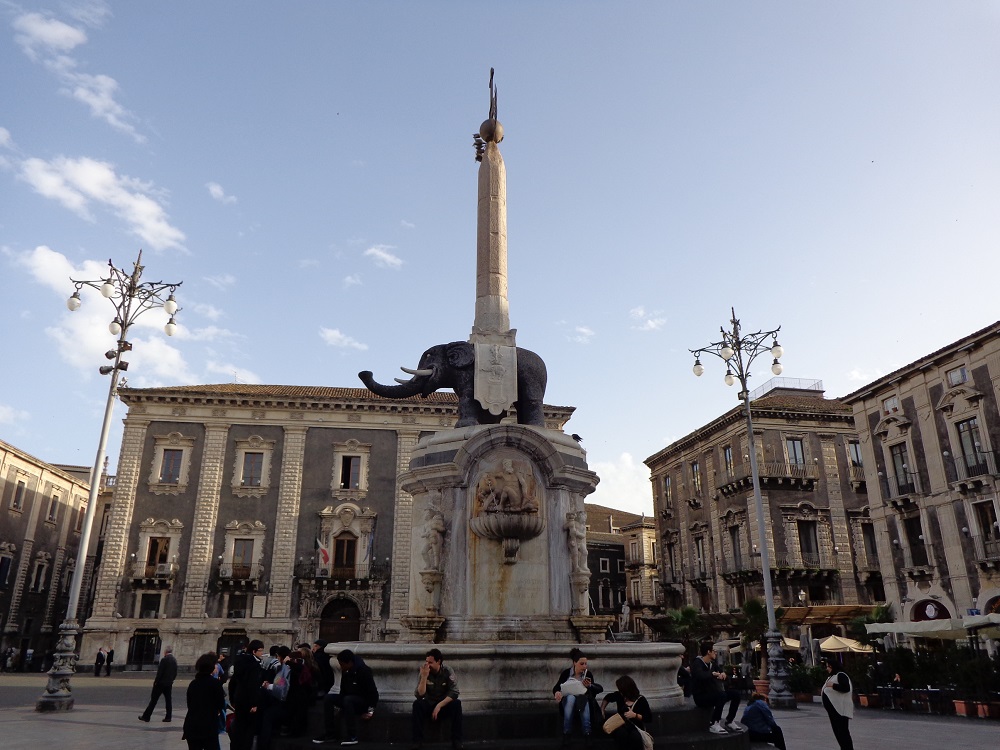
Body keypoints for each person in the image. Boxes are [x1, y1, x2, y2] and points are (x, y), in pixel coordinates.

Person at [313, 649, 379, 746]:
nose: (340, 666)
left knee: (348, 700)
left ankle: (352, 736)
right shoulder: (346, 671)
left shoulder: (364, 671)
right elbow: (343, 689)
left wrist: (370, 710)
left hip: (362, 702)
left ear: (350, 662)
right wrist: (339, 704)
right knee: (328, 698)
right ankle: (330, 734)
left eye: (342, 664)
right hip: (348, 700)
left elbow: (373, 692)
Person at [411, 648, 463, 750]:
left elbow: (454, 692)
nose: (427, 664)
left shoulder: (447, 671)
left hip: (443, 705)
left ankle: (457, 740)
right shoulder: (424, 671)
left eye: (430, 662)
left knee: (457, 704)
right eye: (426, 661)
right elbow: (419, 695)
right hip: (429, 703)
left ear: (438, 662)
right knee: (417, 704)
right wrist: (424, 677)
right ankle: (417, 741)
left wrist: (439, 706)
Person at [552, 647, 603, 746]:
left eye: (585, 664)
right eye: (581, 664)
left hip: (583, 701)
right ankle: (567, 733)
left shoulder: (588, 674)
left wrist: (589, 686)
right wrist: (557, 693)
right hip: (568, 702)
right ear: (574, 663)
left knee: (582, 699)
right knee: (570, 698)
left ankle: (587, 733)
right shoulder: (566, 673)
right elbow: (557, 687)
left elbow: (596, 690)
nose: (584, 666)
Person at [691, 642, 743, 734]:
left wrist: (724, 675)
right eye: (714, 651)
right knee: (721, 696)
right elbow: (700, 675)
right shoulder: (697, 663)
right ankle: (714, 722)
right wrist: (712, 674)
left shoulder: (713, 664)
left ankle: (729, 721)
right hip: (701, 697)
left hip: (713, 693)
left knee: (735, 694)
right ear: (708, 652)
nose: (715, 653)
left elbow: (723, 674)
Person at [182, 652, 227, 750]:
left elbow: (190, 703)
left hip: (192, 725)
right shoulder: (215, 684)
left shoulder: (193, 683)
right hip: (208, 726)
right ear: (211, 667)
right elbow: (220, 704)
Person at [228, 640, 265, 750]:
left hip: (239, 699)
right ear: (254, 651)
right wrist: (254, 703)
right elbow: (252, 686)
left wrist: (232, 698)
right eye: (260, 651)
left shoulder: (240, 661)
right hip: (249, 702)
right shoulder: (254, 665)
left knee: (238, 726)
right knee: (248, 729)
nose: (262, 653)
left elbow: (233, 682)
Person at [600, 675, 652, 750]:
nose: (620, 692)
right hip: (621, 725)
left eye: (621, 690)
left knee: (635, 737)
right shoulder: (619, 696)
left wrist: (635, 715)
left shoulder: (641, 700)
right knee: (621, 734)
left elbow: (648, 718)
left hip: (636, 727)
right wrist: (602, 709)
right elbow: (607, 697)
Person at [139, 645, 178, 723]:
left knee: (153, 700)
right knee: (168, 700)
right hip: (169, 683)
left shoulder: (164, 660)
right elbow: (175, 672)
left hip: (161, 683)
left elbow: (160, 672)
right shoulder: (174, 660)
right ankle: (168, 717)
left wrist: (156, 681)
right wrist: (171, 680)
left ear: (165, 652)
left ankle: (146, 716)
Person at [821, 658, 854, 750]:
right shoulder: (832, 676)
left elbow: (846, 688)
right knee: (838, 732)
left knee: (842, 732)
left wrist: (833, 685)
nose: (827, 668)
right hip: (834, 711)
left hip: (840, 710)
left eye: (828, 666)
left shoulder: (841, 675)